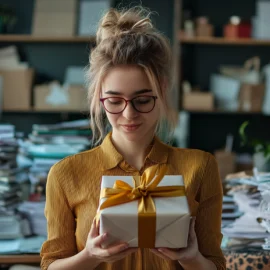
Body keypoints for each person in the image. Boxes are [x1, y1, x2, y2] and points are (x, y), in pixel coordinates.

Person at [40, 6, 226, 270]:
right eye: (115, 101)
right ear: (99, 98)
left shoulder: (201, 167)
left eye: (142, 100)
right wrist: (90, 256)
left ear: (162, 91)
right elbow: (50, 266)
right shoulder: (65, 174)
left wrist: (190, 257)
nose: (129, 114)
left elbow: (216, 266)